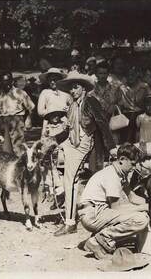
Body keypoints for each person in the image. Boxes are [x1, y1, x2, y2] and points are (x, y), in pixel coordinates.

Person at [54, 71, 117, 237]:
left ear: (83, 88)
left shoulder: (90, 102)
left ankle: (70, 222)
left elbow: (102, 123)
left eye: (75, 87)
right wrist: (59, 140)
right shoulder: (73, 105)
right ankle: (69, 216)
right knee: (65, 177)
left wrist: (111, 146)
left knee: (70, 180)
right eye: (70, 88)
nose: (72, 91)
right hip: (71, 142)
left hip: (83, 143)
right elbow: (69, 128)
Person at [79, 143, 149, 258]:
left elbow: (132, 197)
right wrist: (144, 208)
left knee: (137, 212)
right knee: (140, 219)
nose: (134, 168)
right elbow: (116, 209)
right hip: (92, 214)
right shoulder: (112, 176)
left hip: (98, 211)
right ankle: (97, 240)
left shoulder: (120, 174)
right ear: (122, 159)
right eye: (132, 164)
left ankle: (99, 237)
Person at [37, 68, 72, 204]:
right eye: (51, 79)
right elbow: (40, 112)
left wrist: (66, 111)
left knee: (62, 156)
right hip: (50, 126)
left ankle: (62, 189)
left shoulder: (65, 94)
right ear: (47, 80)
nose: (53, 81)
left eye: (56, 79)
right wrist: (53, 111)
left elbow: (72, 108)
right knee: (48, 158)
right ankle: (49, 189)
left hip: (63, 126)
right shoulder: (45, 93)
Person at [87, 61, 122, 173]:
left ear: (108, 74)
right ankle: (96, 175)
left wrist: (114, 106)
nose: (102, 76)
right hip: (96, 127)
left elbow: (121, 104)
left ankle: (115, 174)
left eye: (105, 73)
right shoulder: (91, 92)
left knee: (113, 151)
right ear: (96, 74)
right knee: (97, 154)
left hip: (112, 126)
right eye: (100, 73)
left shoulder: (115, 89)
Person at [0, 71, 35, 156]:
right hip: (3, 121)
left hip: (17, 120)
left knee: (18, 146)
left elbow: (30, 107)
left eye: (7, 81)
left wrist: (28, 120)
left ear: (12, 81)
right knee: (4, 147)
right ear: (1, 82)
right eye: (3, 81)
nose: (6, 84)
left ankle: (20, 164)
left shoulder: (20, 93)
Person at [118, 66, 151, 143]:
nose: (130, 77)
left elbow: (150, 100)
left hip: (141, 113)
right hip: (126, 114)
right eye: (128, 75)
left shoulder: (144, 87)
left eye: (132, 75)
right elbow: (119, 104)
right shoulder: (122, 88)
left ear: (137, 75)